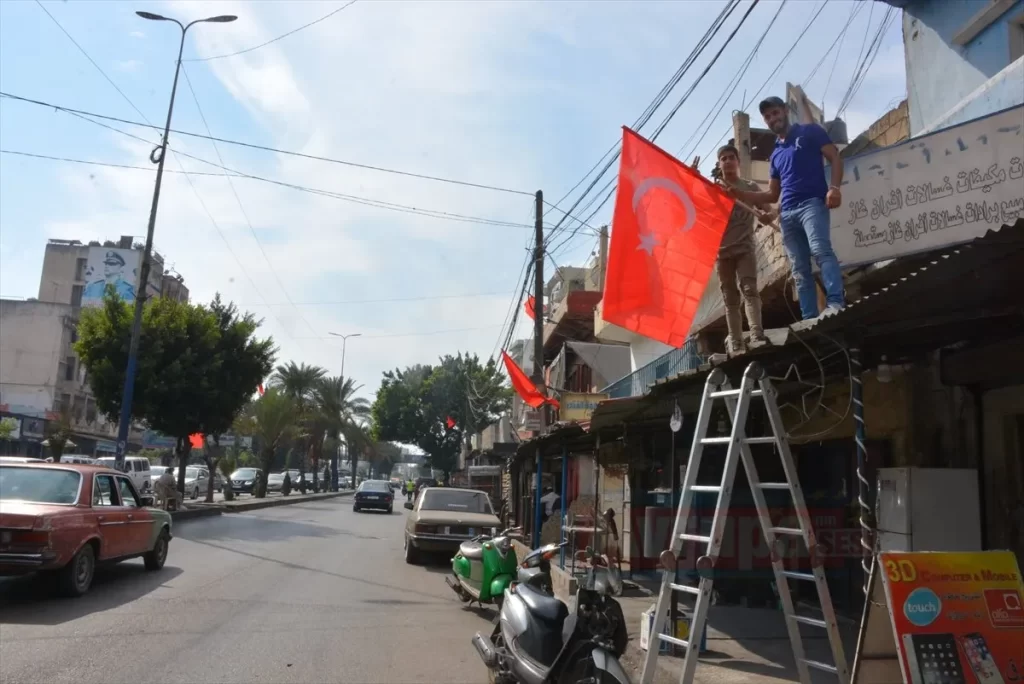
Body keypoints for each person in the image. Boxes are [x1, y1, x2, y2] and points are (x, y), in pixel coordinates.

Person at [727, 96, 845, 320]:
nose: (773, 119)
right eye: (768, 116)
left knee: (821, 251)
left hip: (813, 204)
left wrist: (835, 188)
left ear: (784, 111)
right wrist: (740, 194)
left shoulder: (810, 132)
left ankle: (836, 303)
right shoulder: (776, 155)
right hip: (787, 214)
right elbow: (772, 194)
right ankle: (809, 317)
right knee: (799, 270)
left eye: (775, 113)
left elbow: (835, 158)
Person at [705, 145, 770, 354]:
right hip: (722, 252)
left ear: (737, 162)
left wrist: (767, 217)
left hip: (744, 248)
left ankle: (756, 333)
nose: (727, 161)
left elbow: (768, 211)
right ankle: (735, 339)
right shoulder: (714, 191)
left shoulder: (749, 187)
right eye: (723, 158)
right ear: (719, 164)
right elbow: (697, 210)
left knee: (749, 290)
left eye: (731, 157)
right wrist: (693, 177)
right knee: (729, 297)